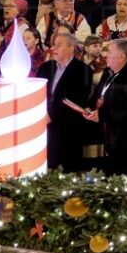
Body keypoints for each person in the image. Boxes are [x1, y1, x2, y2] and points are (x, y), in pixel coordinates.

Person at [85, 39, 127, 175]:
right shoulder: (113, 73)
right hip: (112, 138)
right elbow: (103, 96)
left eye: (110, 52)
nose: (105, 55)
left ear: (122, 56)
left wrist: (103, 114)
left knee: (124, 181)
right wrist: (93, 109)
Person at [36, 32, 93, 172]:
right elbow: (37, 93)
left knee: (66, 170)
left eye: (59, 45)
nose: (54, 48)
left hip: (67, 128)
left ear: (71, 48)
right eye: (53, 44)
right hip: (43, 127)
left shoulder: (83, 70)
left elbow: (75, 99)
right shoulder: (45, 67)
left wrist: (51, 115)